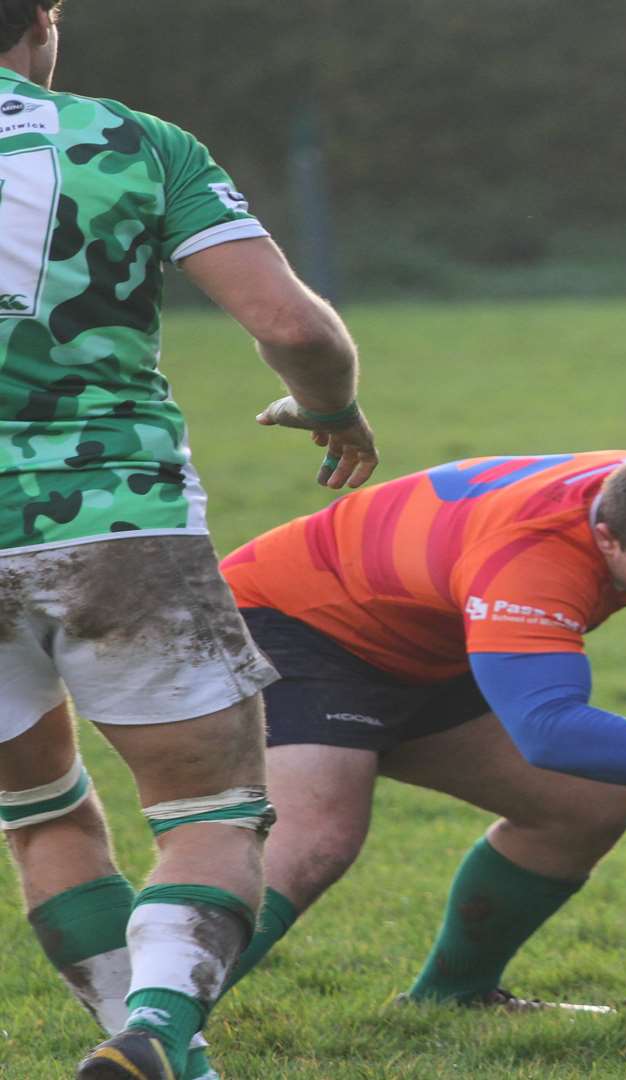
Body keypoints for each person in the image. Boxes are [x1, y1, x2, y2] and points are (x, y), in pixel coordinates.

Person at [0, 3, 380, 1077]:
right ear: (39, 25)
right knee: (209, 812)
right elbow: (293, 327)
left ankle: (164, 1055)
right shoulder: (130, 140)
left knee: (39, 812)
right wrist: (332, 405)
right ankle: (162, 1032)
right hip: (116, 515)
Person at [210, 447, 626, 1019]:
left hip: (419, 636)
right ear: (607, 538)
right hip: (289, 620)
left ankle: (455, 998)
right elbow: (550, 733)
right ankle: (153, 1030)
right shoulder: (534, 558)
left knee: (583, 808)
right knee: (317, 838)